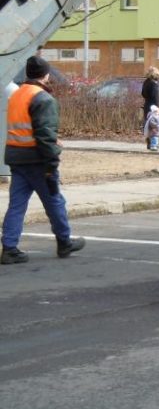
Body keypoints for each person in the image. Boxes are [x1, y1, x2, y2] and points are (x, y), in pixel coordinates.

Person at [1, 56, 85, 265]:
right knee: (54, 200)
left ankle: (9, 248)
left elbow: (27, 127)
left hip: (17, 158)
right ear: (46, 75)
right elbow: (44, 136)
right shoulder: (43, 99)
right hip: (37, 160)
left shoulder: (16, 95)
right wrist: (52, 163)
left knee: (17, 205)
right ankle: (64, 242)